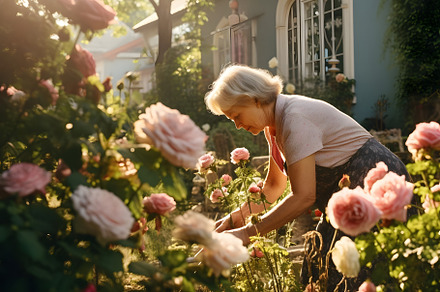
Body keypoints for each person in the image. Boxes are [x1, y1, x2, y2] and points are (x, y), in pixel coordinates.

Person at [204, 64, 412, 291]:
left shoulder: (295, 118)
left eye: (236, 115)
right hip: (349, 197)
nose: (237, 124)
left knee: (355, 274)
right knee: (321, 266)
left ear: (254, 99)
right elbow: (273, 186)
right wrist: (234, 220)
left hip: (378, 188)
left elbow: (303, 196)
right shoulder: (273, 125)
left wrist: (245, 234)